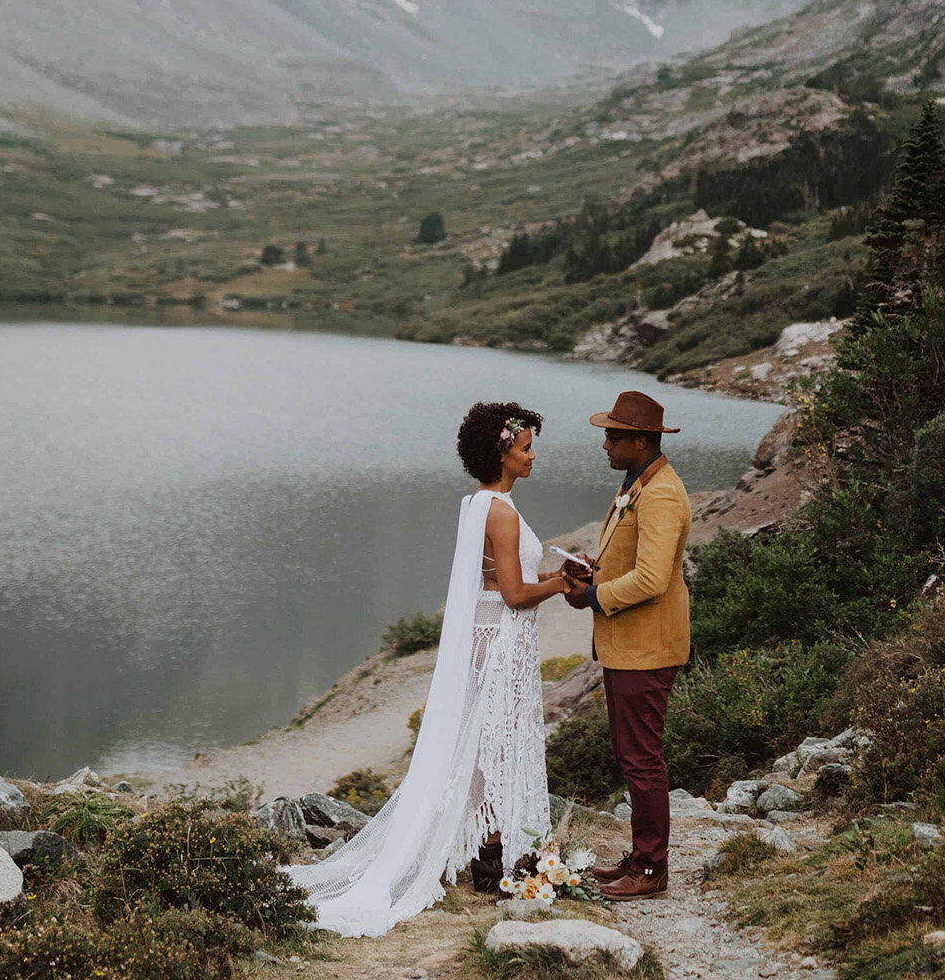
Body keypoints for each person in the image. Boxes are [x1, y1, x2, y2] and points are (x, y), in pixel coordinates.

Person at [289, 401, 570, 936]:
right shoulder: (502, 512)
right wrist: (560, 582)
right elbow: (513, 593)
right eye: (526, 447)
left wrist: (552, 577)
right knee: (496, 742)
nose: (533, 456)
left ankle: (489, 852)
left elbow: (494, 579)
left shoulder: (476, 503)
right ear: (502, 452)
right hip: (501, 636)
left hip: (489, 632)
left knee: (486, 743)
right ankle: (492, 855)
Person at [558, 389, 690, 900]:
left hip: (647, 648)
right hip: (630, 647)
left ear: (641, 440)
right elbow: (633, 561)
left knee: (642, 757)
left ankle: (652, 870)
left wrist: (593, 595)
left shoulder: (661, 494)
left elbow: (653, 580)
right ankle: (641, 857)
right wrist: (594, 570)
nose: (605, 444)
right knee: (632, 752)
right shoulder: (637, 482)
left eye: (613, 436)